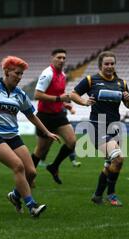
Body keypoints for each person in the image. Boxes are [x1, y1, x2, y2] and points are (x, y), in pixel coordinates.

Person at [0, 56, 59, 217]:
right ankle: (32, 205)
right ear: (7, 72)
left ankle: (15, 196)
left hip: (12, 136)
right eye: (17, 73)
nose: (20, 77)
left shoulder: (20, 94)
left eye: (22, 74)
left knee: (31, 172)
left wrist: (47, 132)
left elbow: (31, 115)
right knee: (18, 166)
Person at [70, 50, 129, 207]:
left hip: (115, 127)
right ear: (100, 65)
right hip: (97, 127)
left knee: (110, 164)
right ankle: (111, 194)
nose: (110, 66)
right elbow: (73, 94)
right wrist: (84, 102)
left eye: (112, 63)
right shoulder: (91, 80)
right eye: (107, 63)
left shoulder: (121, 83)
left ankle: (98, 195)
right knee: (118, 159)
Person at [31, 48, 76, 185]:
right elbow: (37, 95)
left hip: (59, 114)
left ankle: (54, 166)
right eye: (59, 57)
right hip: (45, 117)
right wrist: (58, 99)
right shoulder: (47, 74)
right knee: (41, 150)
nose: (62, 60)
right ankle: (29, 175)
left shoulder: (62, 74)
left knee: (72, 142)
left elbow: (59, 96)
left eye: (63, 58)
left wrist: (64, 104)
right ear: (52, 58)